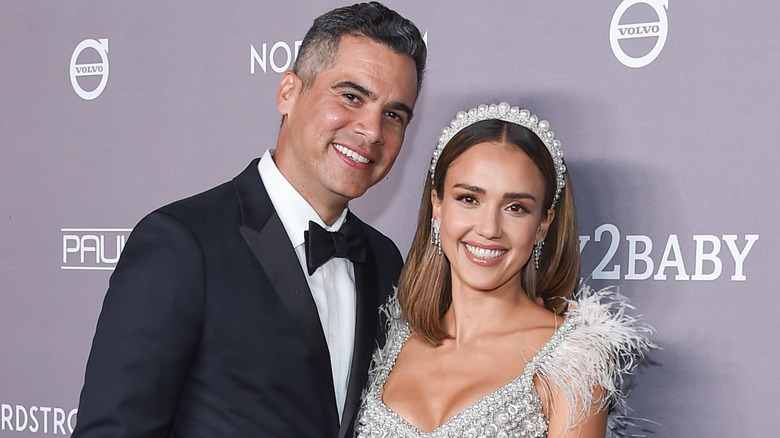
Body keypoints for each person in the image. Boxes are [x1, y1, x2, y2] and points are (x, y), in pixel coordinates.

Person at [72, 3, 426, 437]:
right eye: (351, 96)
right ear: (288, 92)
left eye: (394, 114)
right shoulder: (182, 244)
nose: (373, 131)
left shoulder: (385, 259)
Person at [355, 103, 652, 437]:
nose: (488, 228)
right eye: (469, 199)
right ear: (437, 205)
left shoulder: (573, 360)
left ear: (543, 224)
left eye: (515, 208)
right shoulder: (387, 339)